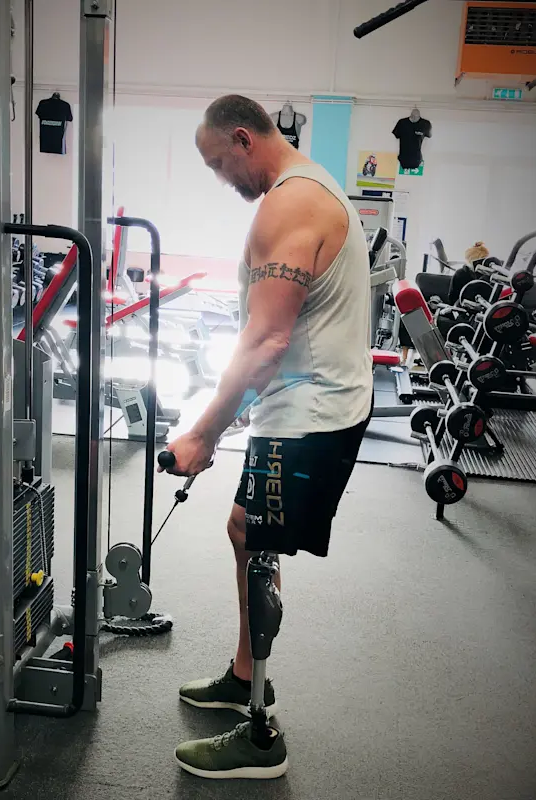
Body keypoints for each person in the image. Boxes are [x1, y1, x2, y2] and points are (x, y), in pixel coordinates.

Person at [161, 94, 373, 779]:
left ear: (243, 139)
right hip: (305, 406)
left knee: (257, 545)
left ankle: (259, 736)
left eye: (218, 164)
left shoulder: (289, 203)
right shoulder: (307, 187)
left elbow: (266, 341)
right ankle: (247, 675)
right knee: (245, 531)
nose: (221, 179)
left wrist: (203, 433)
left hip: (312, 415)